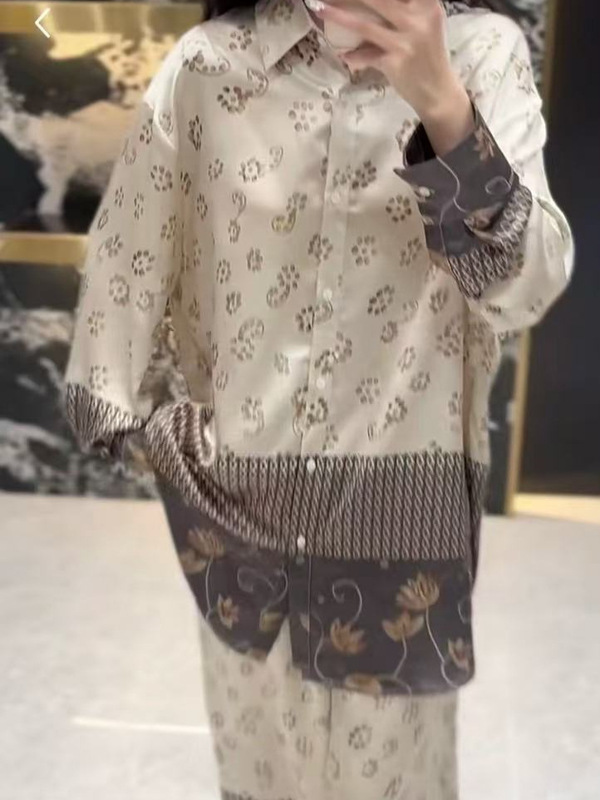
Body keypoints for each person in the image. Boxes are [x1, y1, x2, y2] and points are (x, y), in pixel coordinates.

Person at [63, 0, 574, 797]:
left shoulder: (482, 55)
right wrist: (176, 456)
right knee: (258, 779)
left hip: (402, 543)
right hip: (240, 538)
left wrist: (444, 107)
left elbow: (526, 290)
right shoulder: (207, 68)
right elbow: (123, 280)